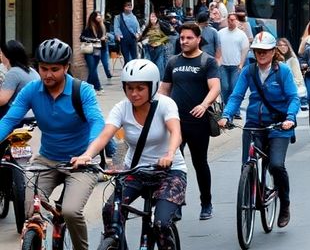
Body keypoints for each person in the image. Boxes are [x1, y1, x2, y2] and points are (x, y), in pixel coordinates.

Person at [71, 59, 187, 250]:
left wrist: (169, 154)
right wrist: (87, 155)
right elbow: (105, 135)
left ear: (153, 86)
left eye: (140, 88)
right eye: (130, 88)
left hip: (169, 171)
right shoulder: (121, 108)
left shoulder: (166, 104)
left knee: (161, 224)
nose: (134, 93)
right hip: (135, 171)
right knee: (110, 211)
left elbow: (176, 132)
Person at [0, 39, 104, 250]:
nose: (48, 74)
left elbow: (97, 122)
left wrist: (89, 153)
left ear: (66, 67)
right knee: (31, 210)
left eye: (55, 69)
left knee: (71, 211)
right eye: (43, 68)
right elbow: (9, 120)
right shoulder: (31, 90)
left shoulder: (82, 90)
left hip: (80, 162)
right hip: (47, 160)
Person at [219, 32, 300, 227]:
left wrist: (289, 118)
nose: (261, 54)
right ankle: (255, 188)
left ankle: (285, 204)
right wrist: (226, 115)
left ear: (273, 52)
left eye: (265, 51)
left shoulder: (283, 71)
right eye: (257, 51)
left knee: (276, 165)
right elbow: (237, 95)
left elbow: (293, 98)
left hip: (279, 125)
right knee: (247, 164)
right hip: (254, 124)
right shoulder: (249, 71)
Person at [159, 22, 221, 220]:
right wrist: (159, 111)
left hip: (198, 123)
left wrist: (204, 105)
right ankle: (175, 204)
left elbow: (215, 87)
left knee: (199, 163)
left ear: (198, 39)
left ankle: (206, 203)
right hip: (175, 122)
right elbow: (164, 89)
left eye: (189, 38)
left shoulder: (207, 62)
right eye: (182, 38)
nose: (184, 41)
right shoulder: (173, 62)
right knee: (174, 164)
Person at [218, 13, 250, 105]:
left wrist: (241, 64)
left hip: (235, 66)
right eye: (229, 20)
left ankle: (235, 109)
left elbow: (245, 50)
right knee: (224, 87)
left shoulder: (241, 34)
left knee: (234, 88)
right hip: (223, 65)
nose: (230, 22)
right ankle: (224, 106)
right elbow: (217, 48)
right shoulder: (220, 33)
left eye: (232, 20)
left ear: (236, 21)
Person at [0, 40, 39, 117]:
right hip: (34, 112)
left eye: (1, 53)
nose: (0, 55)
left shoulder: (14, 72)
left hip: (20, 115)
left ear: (7, 56)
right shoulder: (31, 70)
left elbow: (2, 100)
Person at [276, 38, 307, 110]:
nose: (283, 47)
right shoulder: (275, 59)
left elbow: (298, 77)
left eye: (285, 45)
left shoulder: (292, 59)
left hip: (291, 85)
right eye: (280, 45)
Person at [80, 11, 107, 91]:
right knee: (92, 68)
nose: (99, 17)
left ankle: (87, 87)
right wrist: (96, 40)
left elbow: (102, 39)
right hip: (89, 50)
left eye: (100, 15)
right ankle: (97, 86)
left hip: (98, 50)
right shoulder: (88, 28)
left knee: (93, 69)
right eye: (97, 15)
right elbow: (82, 37)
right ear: (93, 17)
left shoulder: (102, 27)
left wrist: (104, 39)